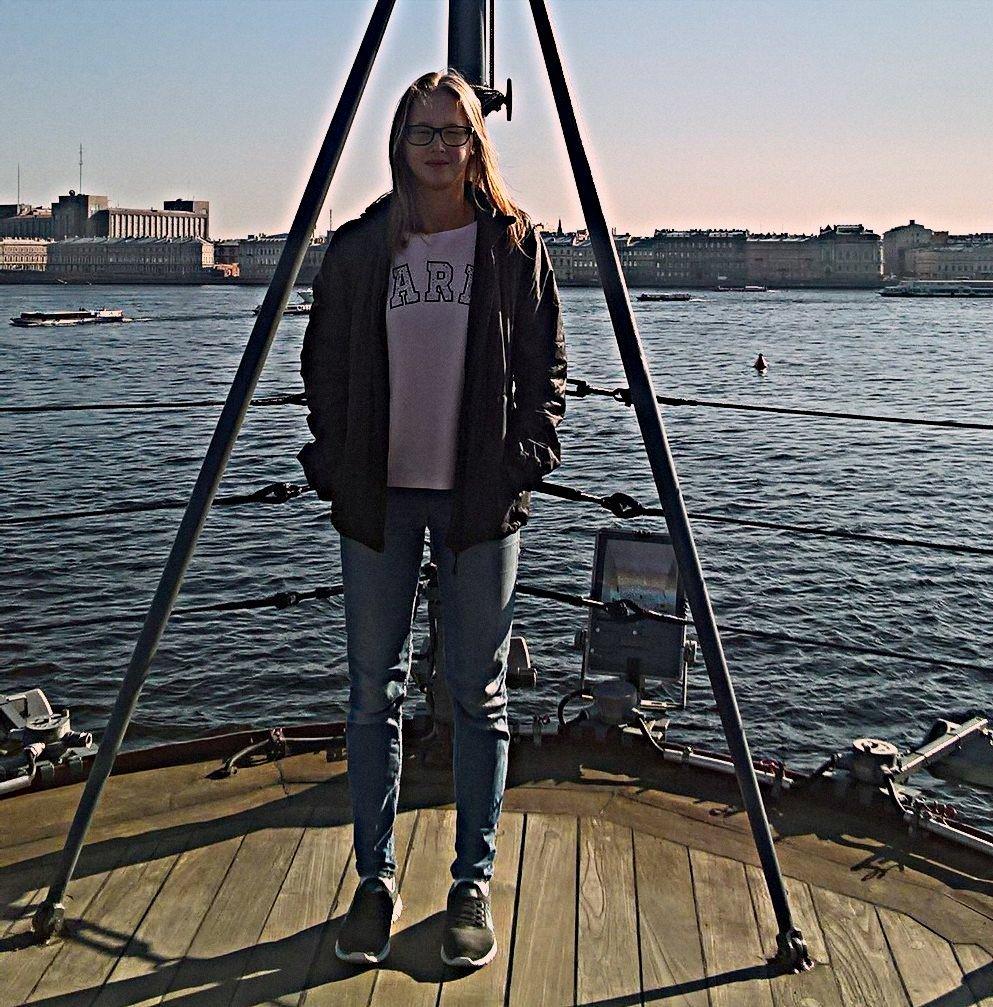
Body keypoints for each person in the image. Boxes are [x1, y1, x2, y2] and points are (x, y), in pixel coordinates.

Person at [298, 69, 566, 969]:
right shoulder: (360, 247)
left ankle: (470, 883)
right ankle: (374, 881)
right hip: (377, 498)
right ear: (400, 142)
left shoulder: (514, 245)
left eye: (456, 132)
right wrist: (336, 460)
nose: (440, 148)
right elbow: (322, 365)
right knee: (371, 691)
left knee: (478, 694)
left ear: (476, 143)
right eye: (424, 131)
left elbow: (545, 368)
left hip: (479, 499)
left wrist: (521, 460)